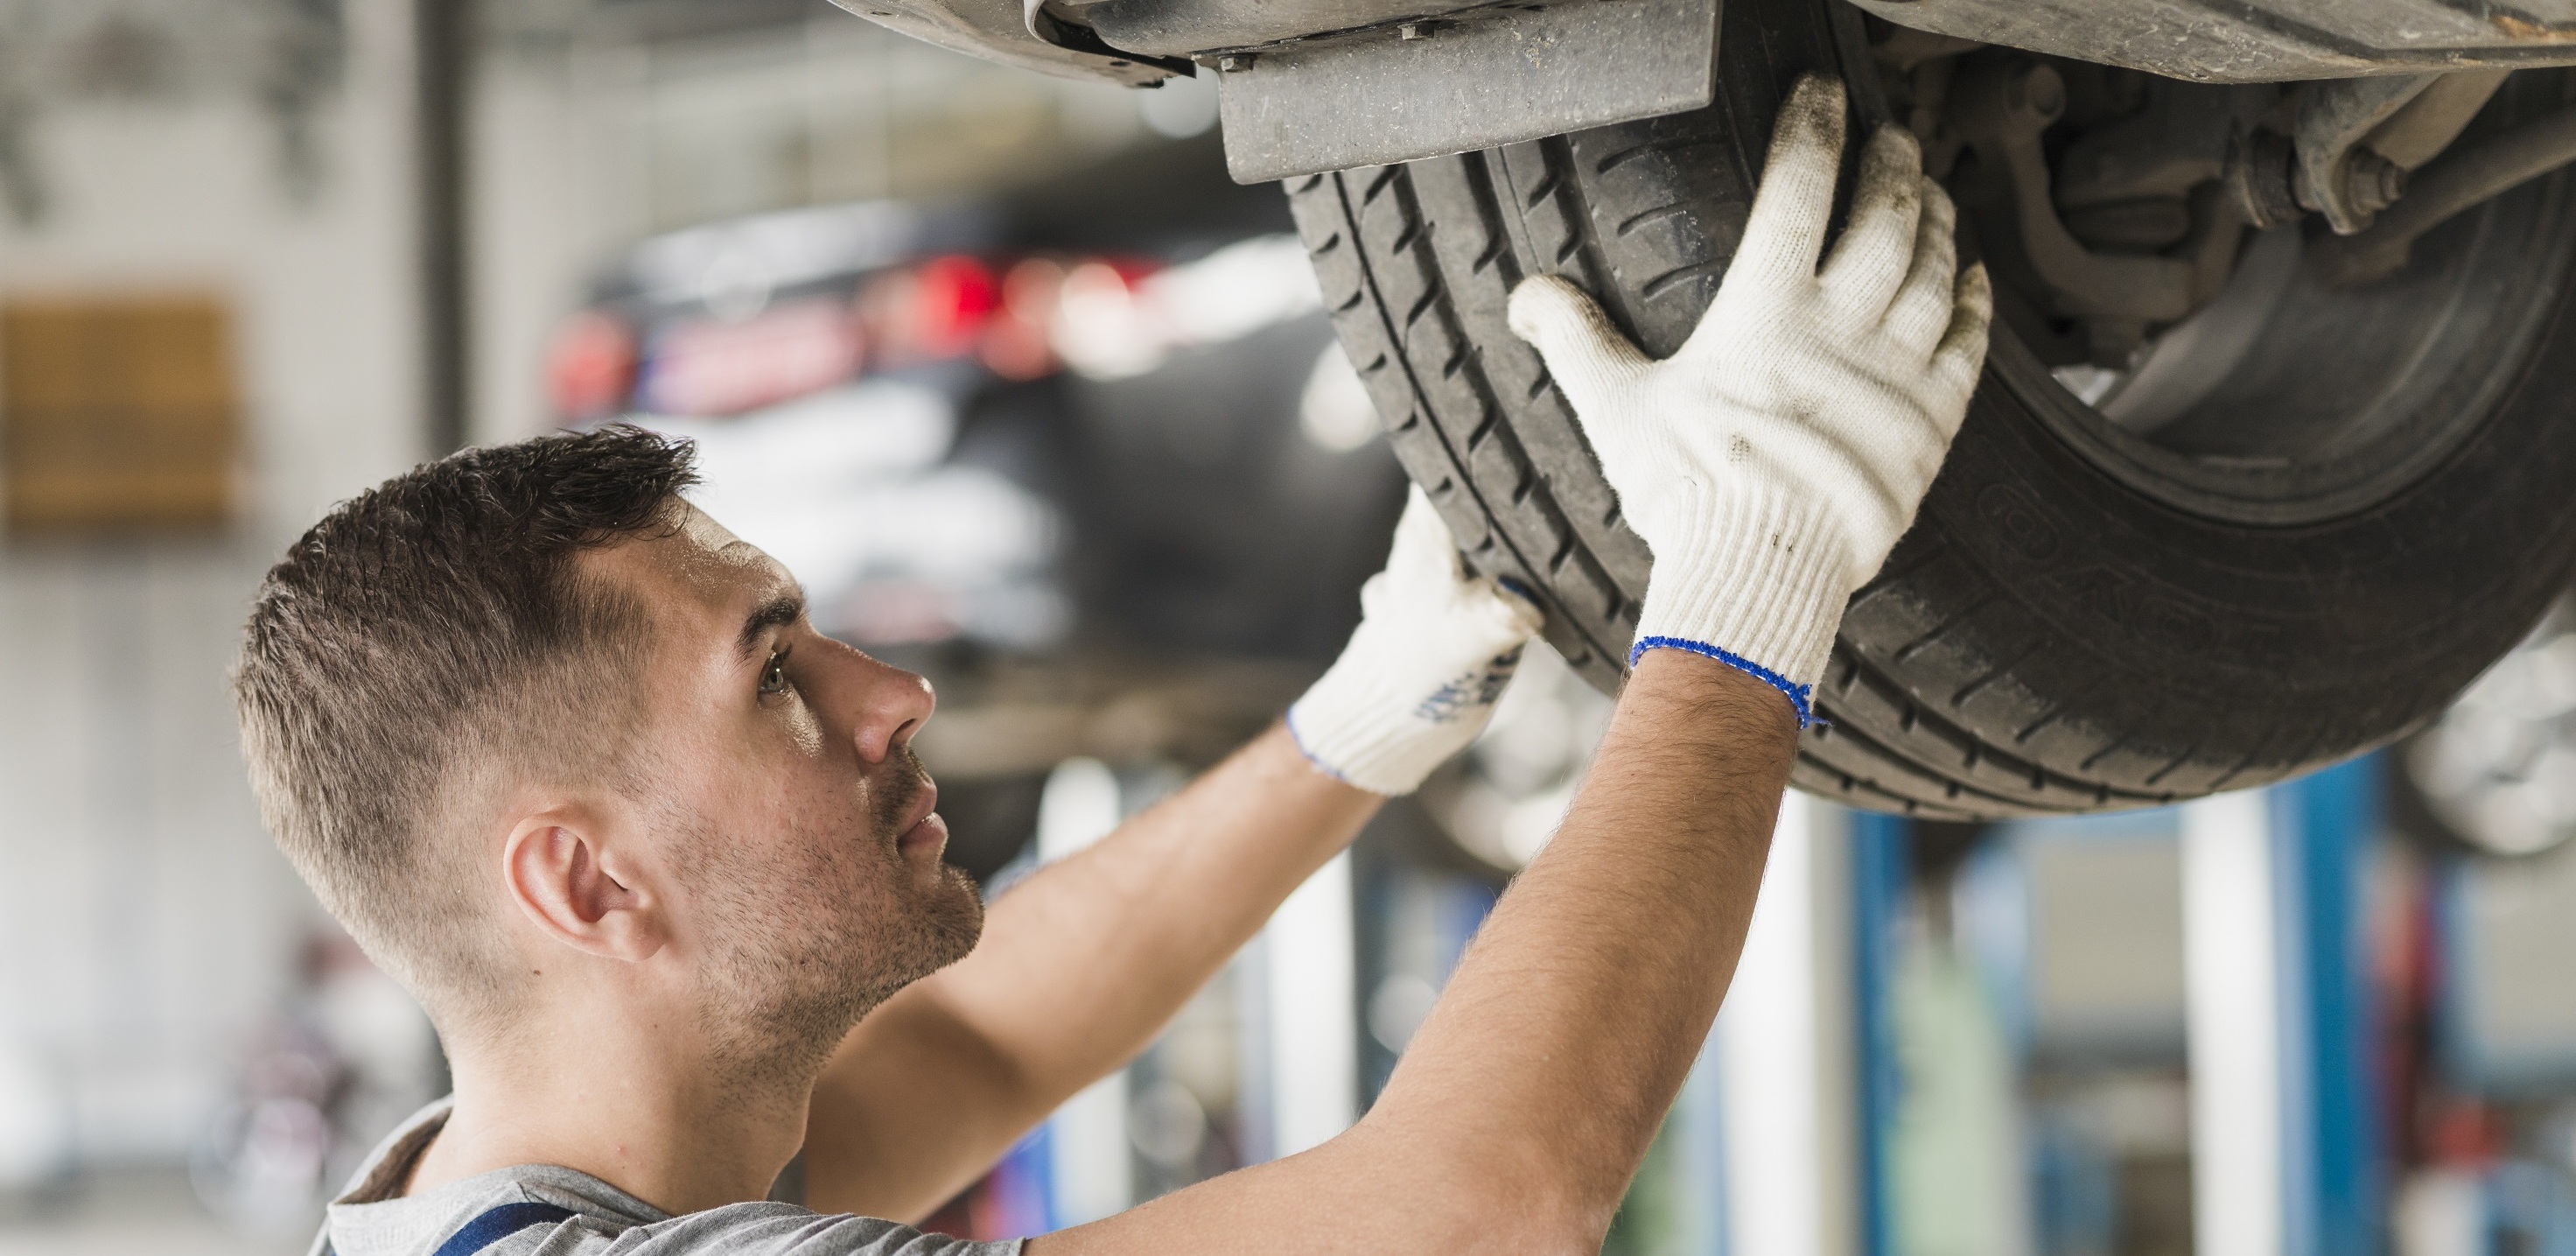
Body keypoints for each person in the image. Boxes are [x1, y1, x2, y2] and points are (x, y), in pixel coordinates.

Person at [234, 74, 1988, 1256]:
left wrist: (1357, 722)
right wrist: (1752, 584)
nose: (890, 692)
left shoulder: (519, 1200)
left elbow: (980, 1044)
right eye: (774, 679)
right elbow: (1473, 1204)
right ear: (584, 877)